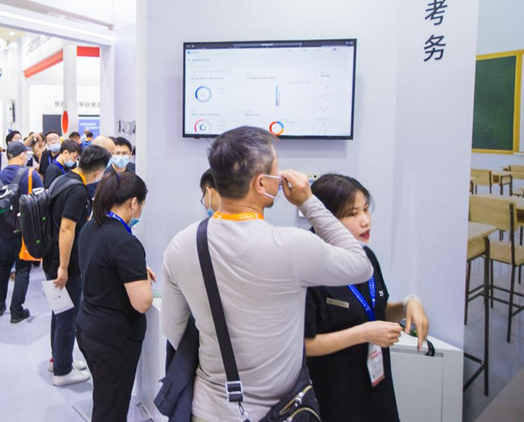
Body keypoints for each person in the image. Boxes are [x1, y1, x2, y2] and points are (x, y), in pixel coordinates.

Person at [161, 126, 373, 421]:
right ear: (261, 183)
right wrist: (308, 201)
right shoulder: (292, 246)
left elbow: (174, 330)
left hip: (208, 409)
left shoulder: (181, 244)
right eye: (276, 170)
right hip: (278, 412)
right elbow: (361, 265)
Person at [305, 174, 429, 422]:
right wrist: (362, 334)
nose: (365, 220)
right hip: (333, 394)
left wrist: (408, 304)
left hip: (376, 386)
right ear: (324, 218)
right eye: (352, 214)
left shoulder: (366, 257)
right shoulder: (308, 267)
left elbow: (375, 312)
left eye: (365, 209)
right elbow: (304, 345)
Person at [76, 171, 156, 421]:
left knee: (104, 399)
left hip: (88, 327)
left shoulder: (90, 228)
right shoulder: (125, 242)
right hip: (114, 341)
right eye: (141, 205)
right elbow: (142, 302)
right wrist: (143, 281)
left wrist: (134, 271)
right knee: (111, 409)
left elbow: (101, 268)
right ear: (134, 203)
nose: (141, 210)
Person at [45, 145, 110, 386]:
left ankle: (59, 359)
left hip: (51, 256)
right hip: (64, 263)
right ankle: (62, 372)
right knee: (67, 317)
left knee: (59, 312)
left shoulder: (63, 179)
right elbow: (67, 228)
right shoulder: (78, 191)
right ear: (98, 172)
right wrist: (63, 267)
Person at [0, 141, 42, 322]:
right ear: (22, 155)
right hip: (24, 231)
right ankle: (16, 311)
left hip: (3, 231)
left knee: (3, 265)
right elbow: (41, 202)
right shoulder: (31, 175)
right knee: (23, 269)